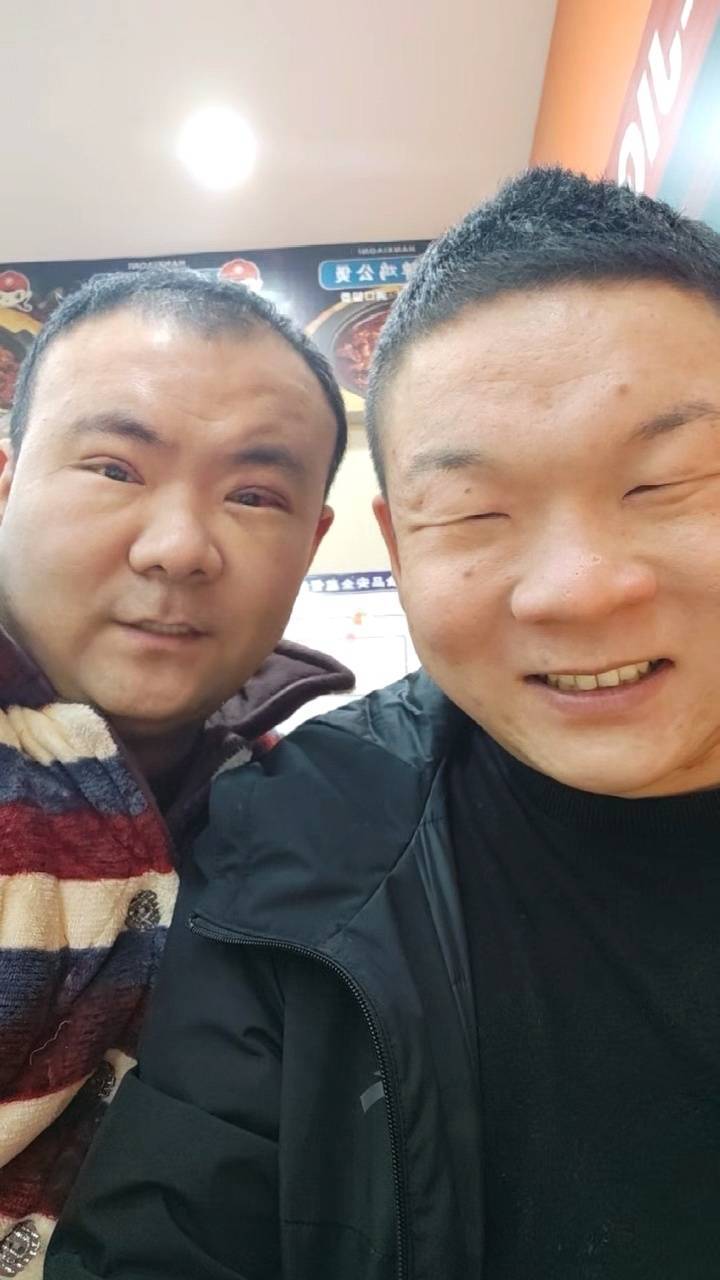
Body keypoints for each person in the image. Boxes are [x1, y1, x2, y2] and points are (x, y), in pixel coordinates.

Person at [48, 167, 720, 1280]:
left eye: (667, 481)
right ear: (399, 545)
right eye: (474, 510)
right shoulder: (302, 835)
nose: (577, 589)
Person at [0, 266, 354, 1274]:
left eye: (255, 495)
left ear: (311, 543)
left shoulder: (318, 819)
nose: (179, 548)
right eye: (115, 468)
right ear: (8, 481)